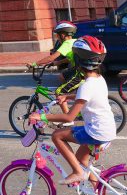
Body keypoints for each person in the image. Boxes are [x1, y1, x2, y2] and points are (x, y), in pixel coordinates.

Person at [29, 35, 116, 186]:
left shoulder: (85, 85)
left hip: (96, 132)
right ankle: (95, 190)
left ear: (78, 61)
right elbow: (87, 96)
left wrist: (42, 116)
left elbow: (69, 117)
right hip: (107, 129)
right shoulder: (99, 79)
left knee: (57, 135)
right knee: (82, 159)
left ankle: (77, 172)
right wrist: (68, 96)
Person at [27, 21, 84, 113]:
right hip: (78, 69)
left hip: (79, 72)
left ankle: (68, 118)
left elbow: (51, 57)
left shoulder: (67, 43)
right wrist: (56, 63)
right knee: (62, 76)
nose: (57, 37)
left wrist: (34, 64)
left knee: (58, 92)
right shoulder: (74, 41)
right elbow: (70, 58)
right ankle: (69, 97)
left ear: (63, 35)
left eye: (58, 35)